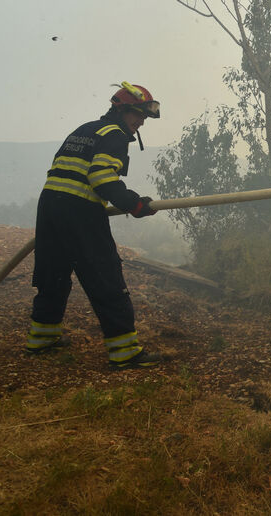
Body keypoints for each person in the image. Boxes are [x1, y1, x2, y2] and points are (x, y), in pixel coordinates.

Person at [25, 81, 164, 369]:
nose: (140, 122)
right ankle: (124, 351)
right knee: (105, 276)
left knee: (54, 274)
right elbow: (101, 179)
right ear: (121, 109)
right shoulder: (114, 136)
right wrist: (135, 205)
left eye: (144, 118)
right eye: (137, 115)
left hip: (50, 206)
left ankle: (41, 338)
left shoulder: (85, 129)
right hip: (80, 211)